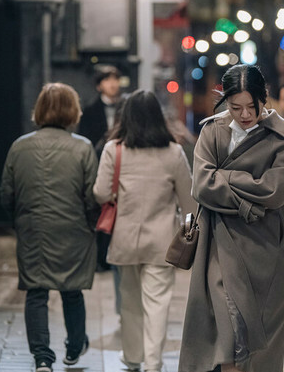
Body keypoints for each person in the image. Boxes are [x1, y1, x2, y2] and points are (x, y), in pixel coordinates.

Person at [178, 65, 284, 372]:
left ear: (265, 98)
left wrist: (227, 177)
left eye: (251, 106)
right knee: (227, 326)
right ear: (225, 101)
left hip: (265, 244)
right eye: (235, 107)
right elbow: (202, 186)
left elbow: (274, 191)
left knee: (258, 328)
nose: (244, 114)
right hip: (218, 242)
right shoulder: (213, 131)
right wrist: (247, 196)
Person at [0, 83, 100, 372]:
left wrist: (20, 219)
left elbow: (6, 193)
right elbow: (91, 195)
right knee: (72, 290)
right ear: (73, 111)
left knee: (36, 292)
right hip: (74, 230)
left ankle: (42, 358)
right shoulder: (82, 147)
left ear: (40, 109)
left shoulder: (20, 146)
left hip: (33, 229)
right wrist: (91, 225)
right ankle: (74, 348)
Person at [93, 90, 195, 372]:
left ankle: (133, 357)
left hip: (124, 240)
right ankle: (153, 363)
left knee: (129, 303)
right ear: (158, 117)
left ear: (126, 117)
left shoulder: (114, 149)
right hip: (161, 241)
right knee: (157, 304)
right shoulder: (173, 152)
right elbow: (189, 200)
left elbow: (100, 193)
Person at [78, 65, 122, 273]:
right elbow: (86, 141)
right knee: (103, 209)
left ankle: (117, 255)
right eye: (107, 80)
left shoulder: (125, 108)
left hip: (123, 166)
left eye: (115, 79)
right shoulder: (89, 111)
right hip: (100, 166)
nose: (113, 84)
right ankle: (102, 258)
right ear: (99, 85)